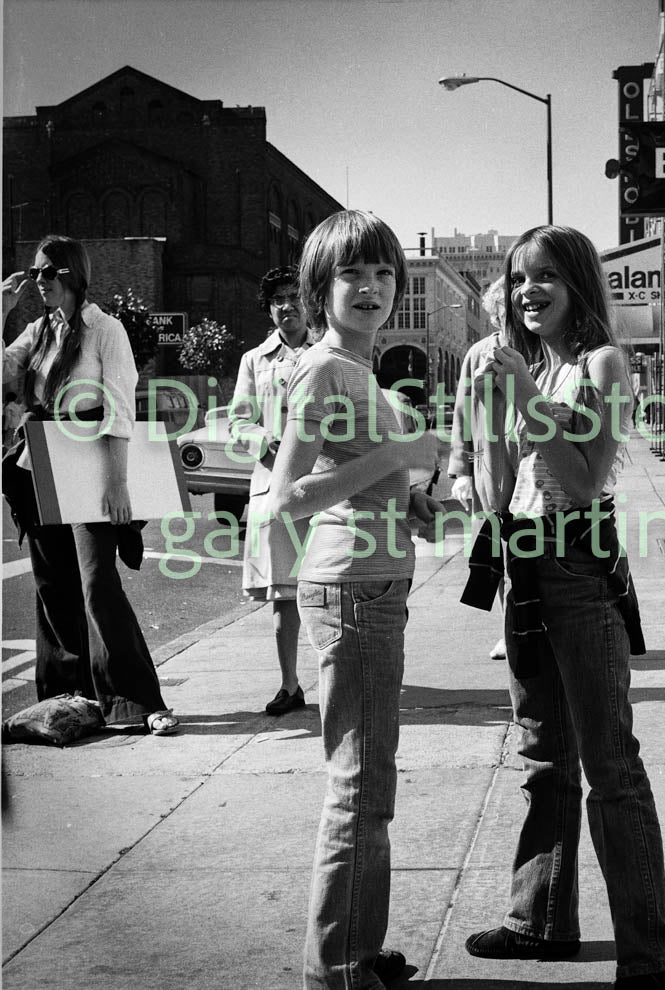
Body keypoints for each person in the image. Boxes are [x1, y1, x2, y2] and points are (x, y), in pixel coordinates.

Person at [461, 226, 665, 989]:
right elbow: (498, 489)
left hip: (580, 566)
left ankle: (650, 956)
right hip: (523, 561)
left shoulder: (600, 364)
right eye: (520, 278)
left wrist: (524, 392)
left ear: (578, 283)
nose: (530, 290)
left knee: (610, 766)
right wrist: (491, 403)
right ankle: (540, 923)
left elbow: (586, 481)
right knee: (541, 756)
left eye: (547, 276)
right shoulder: (535, 363)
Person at [267, 211, 443, 990]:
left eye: (381, 274)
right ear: (319, 289)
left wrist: (404, 498)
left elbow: (353, 473)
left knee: (370, 780)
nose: (369, 287)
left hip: (372, 583)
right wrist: (399, 454)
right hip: (351, 591)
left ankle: (357, 951)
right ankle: (338, 969)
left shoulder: (358, 369)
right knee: (361, 784)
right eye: (351, 275)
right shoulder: (325, 369)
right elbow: (287, 500)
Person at [1, 235, 178, 735]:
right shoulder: (37, 331)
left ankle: (136, 701)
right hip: (40, 459)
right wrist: (2, 310)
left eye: (49, 273)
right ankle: (65, 699)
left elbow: (120, 408)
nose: (40, 282)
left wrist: (118, 483)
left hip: (91, 458)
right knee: (52, 585)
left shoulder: (105, 329)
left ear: (73, 275)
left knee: (97, 584)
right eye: (35, 273)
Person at [229, 266, 312, 714]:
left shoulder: (329, 352)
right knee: (284, 593)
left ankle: (345, 674)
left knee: (333, 584)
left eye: (295, 296)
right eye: (278, 299)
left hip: (325, 483)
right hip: (275, 486)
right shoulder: (255, 360)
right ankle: (290, 685)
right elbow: (238, 420)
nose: (287, 306)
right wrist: (265, 442)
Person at [447, 277, 513, 660]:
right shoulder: (478, 354)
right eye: (501, 309)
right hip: (490, 473)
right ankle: (510, 628)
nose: (508, 316)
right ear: (493, 315)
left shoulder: (546, 350)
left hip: (535, 471)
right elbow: (462, 415)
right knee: (498, 556)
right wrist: (463, 473)